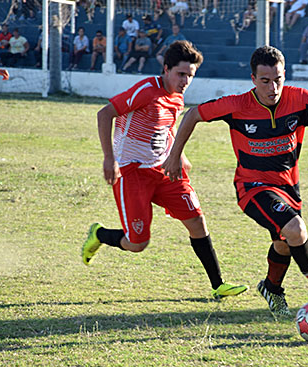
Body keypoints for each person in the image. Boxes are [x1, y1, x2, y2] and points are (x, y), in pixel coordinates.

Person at [163, 46, 308, 319]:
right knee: (295, 229)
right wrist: (174, 156)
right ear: (253, 79)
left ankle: (271, 288)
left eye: (278, 79)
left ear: (284, 75)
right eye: (265, 81)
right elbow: (194, 114)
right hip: (252, 187)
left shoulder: (301, 100)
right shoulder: (237, 105)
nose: (273, 87)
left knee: (284, 241)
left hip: (288, 188)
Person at [82, 40, 248, 301]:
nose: (185, 81)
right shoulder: (147, 90)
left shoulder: (177, 98)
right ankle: (100, 234)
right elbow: (105, 114)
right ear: (166, 69)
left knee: (196, 221)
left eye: (190, 76)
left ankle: (219, 285)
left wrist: (179, 156)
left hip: (164, 170)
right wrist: (109, 158)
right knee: (137, 244)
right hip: (131, 172)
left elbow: (165, 131)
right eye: (181, 74)